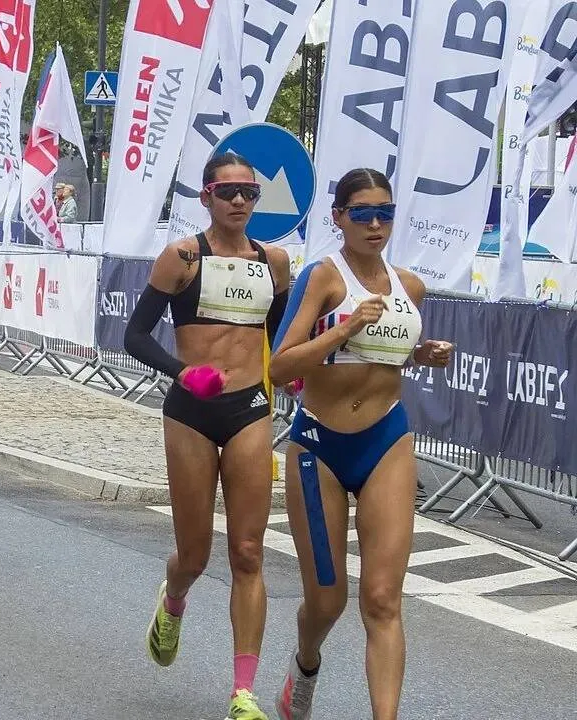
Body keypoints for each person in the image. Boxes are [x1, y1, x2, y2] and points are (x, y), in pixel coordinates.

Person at [269, 169, 453, 720]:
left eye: (385, 214)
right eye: (363, 213)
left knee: (382, 598)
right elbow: (279, 366)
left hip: (385, 441)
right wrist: (343, 328)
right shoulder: (323, 277)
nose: (376, 224)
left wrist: (423, 355)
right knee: (327, 601)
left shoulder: (409, 287)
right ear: (339, 218)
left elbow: (385, 357)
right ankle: (305, 663)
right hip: (319, 446)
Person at [123, 153, 291, 720]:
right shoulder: (183, 257)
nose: (239, 201)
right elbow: (134, 336)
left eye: (249, 192)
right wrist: (181, 373)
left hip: (249, 409)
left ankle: (243, 692)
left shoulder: (274, 262)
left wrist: (295, 375)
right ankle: (173, 600)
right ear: (207, 197)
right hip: (191, 411)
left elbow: (280, 339)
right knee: (194, 554)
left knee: (247, 551)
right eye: (227, 192)